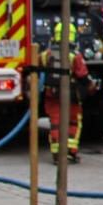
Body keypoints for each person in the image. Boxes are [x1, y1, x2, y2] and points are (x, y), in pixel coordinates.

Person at [40, 19, 90, 163]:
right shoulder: (75, 56)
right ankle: (70, 152)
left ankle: (56, 154)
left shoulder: (45, 55)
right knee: (73, 123)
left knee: (55, 123)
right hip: (71, 96)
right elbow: (83, 76)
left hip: (52, 96)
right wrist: (90, 86)